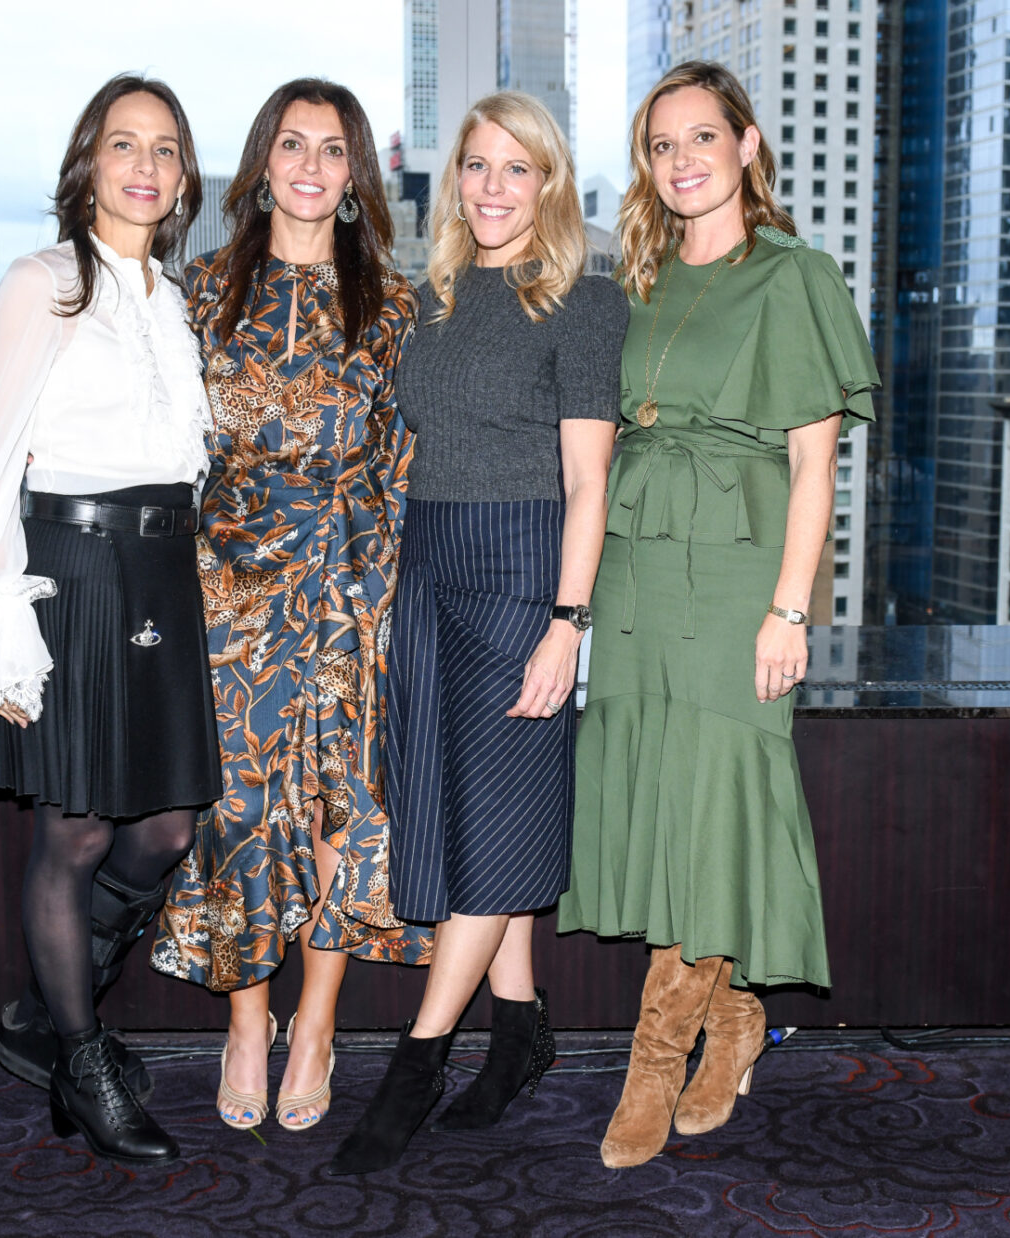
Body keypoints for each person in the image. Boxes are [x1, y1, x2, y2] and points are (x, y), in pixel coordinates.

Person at [558, 61, 880, 1169]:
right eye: (662, 144)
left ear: (747, 145)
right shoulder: (639, 276)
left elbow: (812, 466)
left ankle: (658, 1054)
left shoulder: (791, 273)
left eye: (704, 137)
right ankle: (737, 1014)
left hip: (738, 575)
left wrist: (790, 609)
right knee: (665, 800)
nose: (684, 159)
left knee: (714, 802)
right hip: (639, 577)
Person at [327, 92, 626, 1177]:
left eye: (517, 168)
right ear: (454, 180)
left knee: (489, 826)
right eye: (476, 166)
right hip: (429, 571)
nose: (493, 187)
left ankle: (416, 1065)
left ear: (549, 183)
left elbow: (590, 484)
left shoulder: (586, 307)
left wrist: (565, 625)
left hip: (519, 577)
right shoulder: (435, 298)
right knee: (455, 815)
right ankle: (521, 1029)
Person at [0, 74, 219, 1165]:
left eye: (164, 149)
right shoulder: (43, 282)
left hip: (161, 567)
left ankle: (39, 1018)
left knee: (166, 826)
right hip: (71, 565)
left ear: (183, 175)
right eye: (122, 145)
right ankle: (86, 1058)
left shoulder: (174, 297)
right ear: (88, 163)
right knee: (78, 828)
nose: (144, 166)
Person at [151, 78, 430, 1133]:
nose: (311, 167)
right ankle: (246, 1018)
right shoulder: (201, 290)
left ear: (355, 173)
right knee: (234, 811)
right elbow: (166, 453)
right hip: (224, 590)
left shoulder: (397, 305)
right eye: (292, 145)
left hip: (354, 591)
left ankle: (316, 1021)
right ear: (261, 161)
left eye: (332, 150)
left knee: (337, 815)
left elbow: (406, 462)